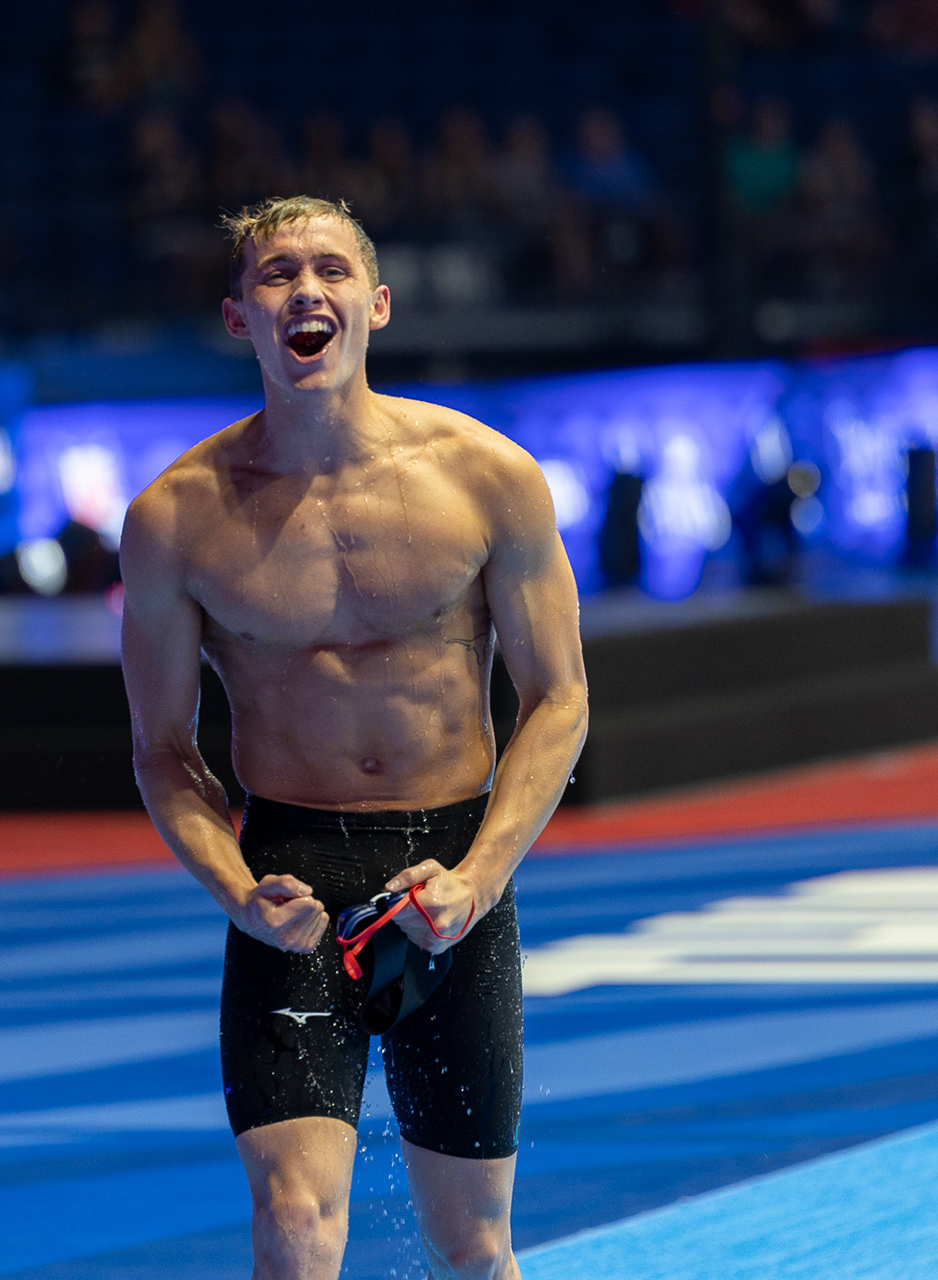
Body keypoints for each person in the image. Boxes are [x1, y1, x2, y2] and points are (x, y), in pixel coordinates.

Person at [120, 194, 589, 1280]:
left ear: (373, 303)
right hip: (290, 877)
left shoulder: (486, 476)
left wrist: (478, 878)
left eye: (329, 270)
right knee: (294, 1223)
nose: (305, 290)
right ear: (241, 317)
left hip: (451, 876)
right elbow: (161, 746)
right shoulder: (176, 517)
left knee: (470, 1242)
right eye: (277, 274)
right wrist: (238, 888)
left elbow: (558, 697)